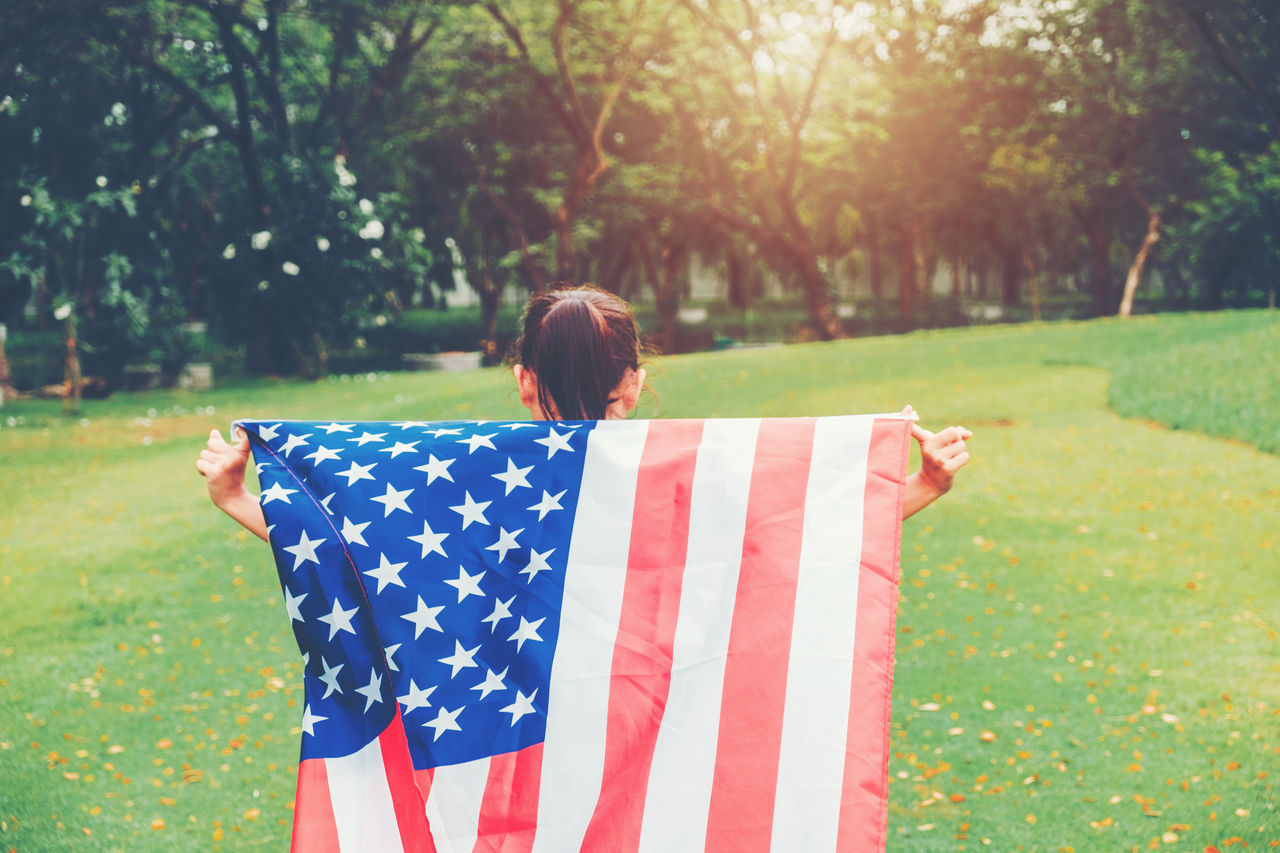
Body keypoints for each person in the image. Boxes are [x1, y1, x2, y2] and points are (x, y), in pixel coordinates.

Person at [196, 285, 970, 537]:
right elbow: (787, 546)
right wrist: (923, 485)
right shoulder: (681, 475)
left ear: (523, 381)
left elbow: (363, 553)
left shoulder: (471, 476)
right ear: (633, 383)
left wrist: (237, 497)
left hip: (515, 758)